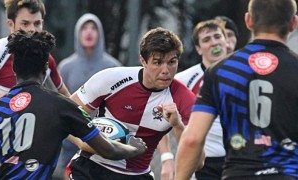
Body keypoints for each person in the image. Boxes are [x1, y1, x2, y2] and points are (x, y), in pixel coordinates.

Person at [0, 30, 147, 179]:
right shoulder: (61, 106)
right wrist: (134, 149)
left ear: (13, 67)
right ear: (46, 67)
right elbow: (109, 150)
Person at [175, 0, 298, 179]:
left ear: (249, 21)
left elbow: (192, 139)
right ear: (293, 23)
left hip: (238, 174)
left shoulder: (221, 71)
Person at [66, 27, 197, 180]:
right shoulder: (111, 79)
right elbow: (65, 115)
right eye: (157, 62)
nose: (165, 70)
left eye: (172, 62)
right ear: (143, 61)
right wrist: (88, 144)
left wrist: (177, 125)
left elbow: (198, 161)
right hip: (92, 168)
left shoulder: (185, 99)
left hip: (137, 175)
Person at [55, 13, 122, 178]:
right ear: (77, 32)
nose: (89, 32)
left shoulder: (113, 67)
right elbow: (61, 103)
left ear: (100, 33)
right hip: (72, 139)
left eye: (93, 28)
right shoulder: (66, 67)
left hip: (106, 138)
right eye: (84, 28)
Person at [174, 19, 228, 180]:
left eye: (218, 37)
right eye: (206, 39)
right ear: (198, 49)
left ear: (226, 41)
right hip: (202, 162)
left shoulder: (243, 74)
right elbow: (162, 115)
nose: (214, 43)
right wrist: (166, 158)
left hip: (236, 159)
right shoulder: (182, 80)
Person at [0, 0, 70, 101]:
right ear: (10, 24)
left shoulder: (47, 58)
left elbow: (67, 98)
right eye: (25, 24)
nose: (32, 30)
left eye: (37, 24)